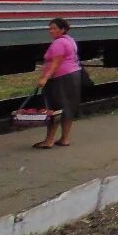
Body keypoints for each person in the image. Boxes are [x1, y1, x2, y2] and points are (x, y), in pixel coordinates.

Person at [33, 17, 81, 149]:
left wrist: (45, 78)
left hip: (60, 78)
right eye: (50, 28)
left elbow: (56, 63)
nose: (51, 31)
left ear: (62, 29)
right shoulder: (69, 40)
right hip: (73, 76)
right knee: (68, 108)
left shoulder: (58, 43)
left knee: (54, 109)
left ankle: (49, 141)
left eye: (54, 28)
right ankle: (65, 139)